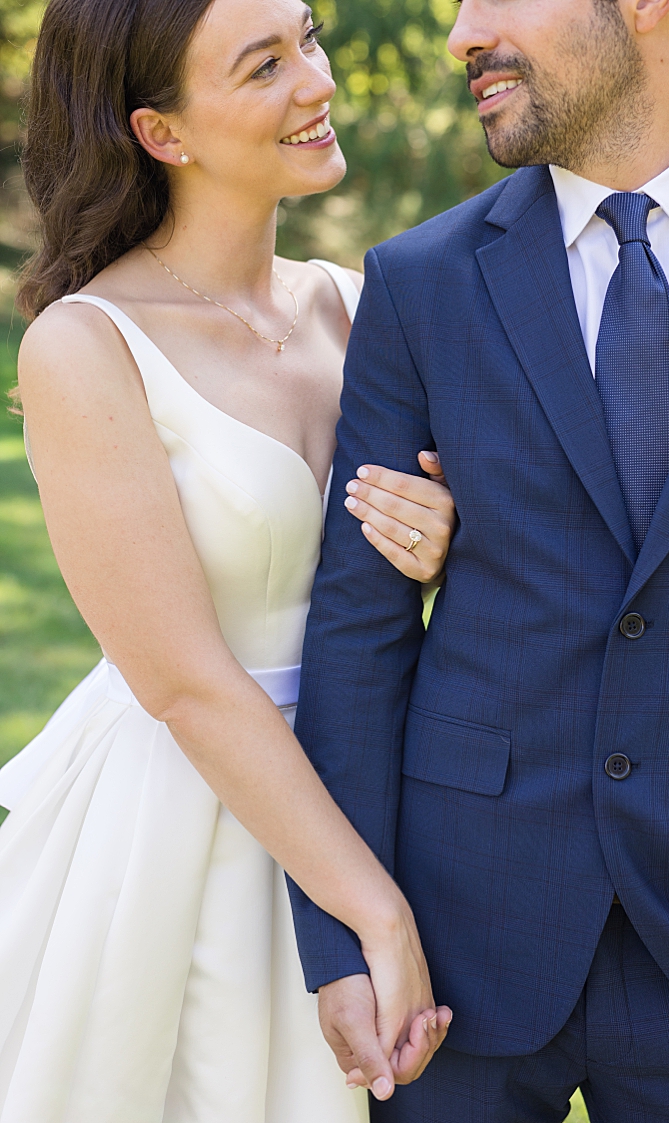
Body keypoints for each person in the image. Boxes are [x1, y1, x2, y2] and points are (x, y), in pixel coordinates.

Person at [0, 0, 466, 1116]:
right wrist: (375, 911)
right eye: (265, 65)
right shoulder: (85, 344)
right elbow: (184, 681)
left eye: (309, 38)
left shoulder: (360, 308)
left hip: (370, 777)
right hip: (184, 824)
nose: (319, 82)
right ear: (164, 133)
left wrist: (445, 538)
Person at [286, 0, 669, 1116]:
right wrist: (343, 940)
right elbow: (358, 632)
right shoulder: (421, 280)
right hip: (464, 930)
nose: (461, 34)